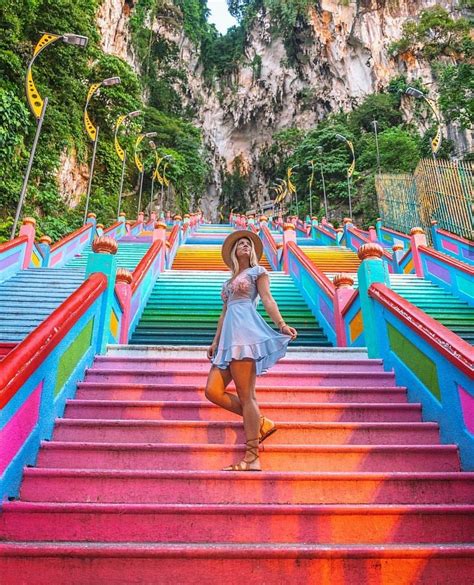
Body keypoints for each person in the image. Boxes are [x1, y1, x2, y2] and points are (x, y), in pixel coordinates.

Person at [205, 230, 298, 471]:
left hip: (246, 335)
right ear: (235, 252)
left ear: (253, 251)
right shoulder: (227, 283)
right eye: (241, 244)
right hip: (227, 339)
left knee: (247, 396)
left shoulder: (258, 272)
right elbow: (224, 313)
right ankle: (261, 422)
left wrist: (281, 324)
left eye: (248, 244)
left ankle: (252, 456)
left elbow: (267, 299)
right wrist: (215, 341)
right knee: (212, 391)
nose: (245, 246)